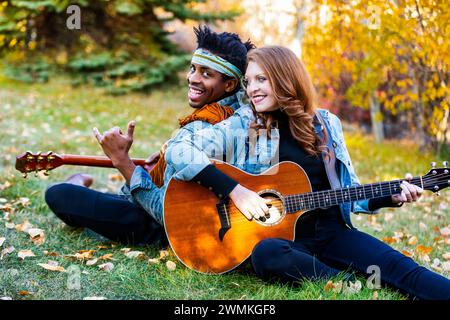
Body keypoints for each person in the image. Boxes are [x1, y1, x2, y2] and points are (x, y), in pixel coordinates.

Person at [164, 46, 450, 300]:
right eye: (249, 81)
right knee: (268, 255)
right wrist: (237, 192)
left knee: (403, 270)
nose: (252, 89)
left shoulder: (327, 124)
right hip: (283, 241)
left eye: (261, 79)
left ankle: (338, 275)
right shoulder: (247, 123)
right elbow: (178, 149)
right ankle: (344, 281)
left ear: (286, 78)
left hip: (332, 234)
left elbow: (350, 191)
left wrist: (393, 197)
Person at [44, 25, 254, 245]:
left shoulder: (207, 126)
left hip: (167, 227)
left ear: (230, 84)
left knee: (59, 195)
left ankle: (76, 186)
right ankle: (79, 187)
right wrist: (165, 162)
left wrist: (122, 161)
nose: (193, 78)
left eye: (206, 73)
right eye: (193, 69)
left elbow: (166, 213)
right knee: (94, 198)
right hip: (183, 212)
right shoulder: (234, 114)